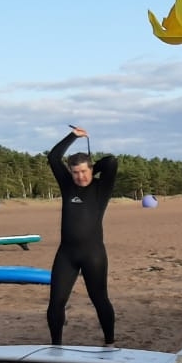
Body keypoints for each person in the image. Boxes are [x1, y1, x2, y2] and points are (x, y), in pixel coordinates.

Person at [46, 126, 118, 347]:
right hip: (66, 254)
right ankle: (56, 345)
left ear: (91, 169)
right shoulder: (67, 186)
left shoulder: (101, 187)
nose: (80, 176)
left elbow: (112, 162)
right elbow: (53, 157)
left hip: (93, 254)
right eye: (76, 172)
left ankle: (109, 342)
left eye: (84, 171)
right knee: (56, 302)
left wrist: (95, 166)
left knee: (99, 300)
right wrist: (73, 136)